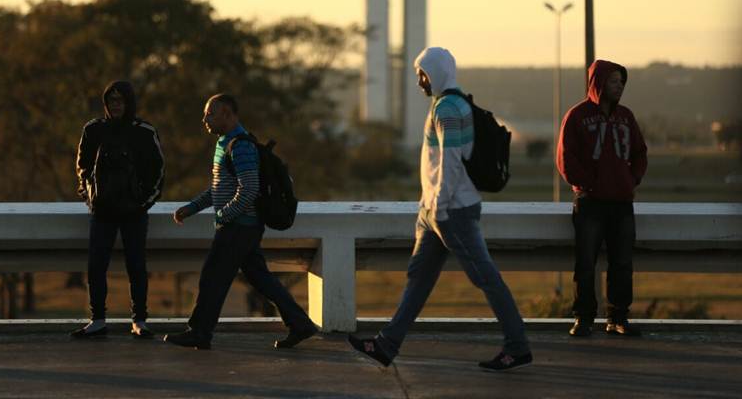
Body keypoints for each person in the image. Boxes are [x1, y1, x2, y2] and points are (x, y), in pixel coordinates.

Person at [348, 47, 532, 372]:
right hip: (434, 211)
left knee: (485, 277)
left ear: (434, 73)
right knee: (419, 278)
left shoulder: (448, 108)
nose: (419, 82)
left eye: (422, 74)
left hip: (451, 211)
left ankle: (517, 346)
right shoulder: (446, 103)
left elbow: (451, 161)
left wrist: (440, 208)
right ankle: (386, 345)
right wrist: (430, 208)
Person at [163, 93, 317, 350]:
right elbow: (219, 189)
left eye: (210, 114)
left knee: (212, 277)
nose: (205, 120)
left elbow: (249, 190)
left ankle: (199, 332)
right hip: (242, 226)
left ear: (227, 114)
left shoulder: (241, 146)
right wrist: (192, 208)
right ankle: (300, 324)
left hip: (239, 227)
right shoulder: (225, 143)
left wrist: (224, 215)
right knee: (261, 279)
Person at [557, 59, 648, 337]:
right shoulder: (576, 116)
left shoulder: (626, 117)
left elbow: (639, 153)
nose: (619, 86)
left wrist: (630, 181)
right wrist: (588, 185)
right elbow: (565, 158)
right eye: (613, 81)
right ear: (599, 83)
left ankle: (618, 318)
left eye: (622, 81)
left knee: (622, 262)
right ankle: (583, 318)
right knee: (585, 262)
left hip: (621, 203)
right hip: (590, 203)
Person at [72, 80, 165, 338]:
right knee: (96, 266)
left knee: (136, 266)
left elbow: (158, 170)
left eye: (120, 100)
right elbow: (82, 168)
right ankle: (98, 319)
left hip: (134, 213)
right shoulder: (93, 130)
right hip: (102, 212)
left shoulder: (144, 131)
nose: (115, 105)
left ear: (129, 102)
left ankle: (139, 320)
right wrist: (90, 198)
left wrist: (143, 202)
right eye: (111, 101)